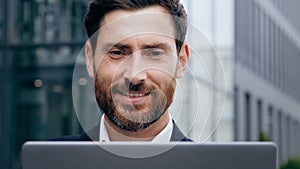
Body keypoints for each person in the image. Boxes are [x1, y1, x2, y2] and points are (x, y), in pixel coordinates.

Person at [53, 0, 191, 142]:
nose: (135, 76)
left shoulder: (210, 164)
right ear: (90, 59)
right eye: (117, 53)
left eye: (154, 54)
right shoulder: (44, 163)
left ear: (181, 61)